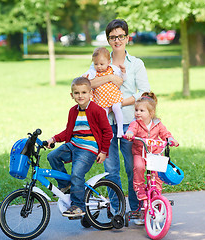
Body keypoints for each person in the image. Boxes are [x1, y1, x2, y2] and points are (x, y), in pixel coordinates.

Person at [90, 19, 150, 212]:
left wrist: (120, 103)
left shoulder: (136, 64)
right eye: (113, 37)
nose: (117, 40)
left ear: (127, 38)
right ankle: (117, 210)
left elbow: (144, 92)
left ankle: (136, 208)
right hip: (105, 124)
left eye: (121, 36)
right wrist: (108, 77)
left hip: (130, 123)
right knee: (111, 170)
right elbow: (85, 84)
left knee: (134, 168)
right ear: (108, 40)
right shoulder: (100, 60)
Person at [46, 77, 113, 217]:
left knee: (77, 174)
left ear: (90, 94)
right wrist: (53, 138)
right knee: (52, 156)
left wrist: (104, 151)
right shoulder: (73, 111)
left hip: (89, 149)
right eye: (76, 93)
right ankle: (65, 184)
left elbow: (108, 132)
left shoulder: (97, 110)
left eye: (84, 92)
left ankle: (78, 206)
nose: (80, 96)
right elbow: (68, 131)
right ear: (72, 95)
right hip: (73, 145)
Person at [125, 92, 179, 224]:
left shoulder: (157, 124)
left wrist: (170, 139)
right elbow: (131, 129)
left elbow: (165, 133)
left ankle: (157, 193)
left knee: (157, 173)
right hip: (140, 153)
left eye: (141, 110)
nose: (138, 113)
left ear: (151, 112)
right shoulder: (136, 123)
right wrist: (130, 133)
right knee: (138, 167)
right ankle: (140, 189)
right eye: (136, 110)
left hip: (154, 154)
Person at [83, 47, 126, 138]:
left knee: (116, 108)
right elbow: (84, 80)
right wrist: (84, 77)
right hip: (101, 98)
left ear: (108, 62)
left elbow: (122, 79)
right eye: (96, 64)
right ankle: (106, 132)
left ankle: (120, 130)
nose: (99, 66)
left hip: (113, 95)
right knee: (102, 115)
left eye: (102, 64)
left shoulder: (113, 69)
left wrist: (123, 72)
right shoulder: (93, 71)